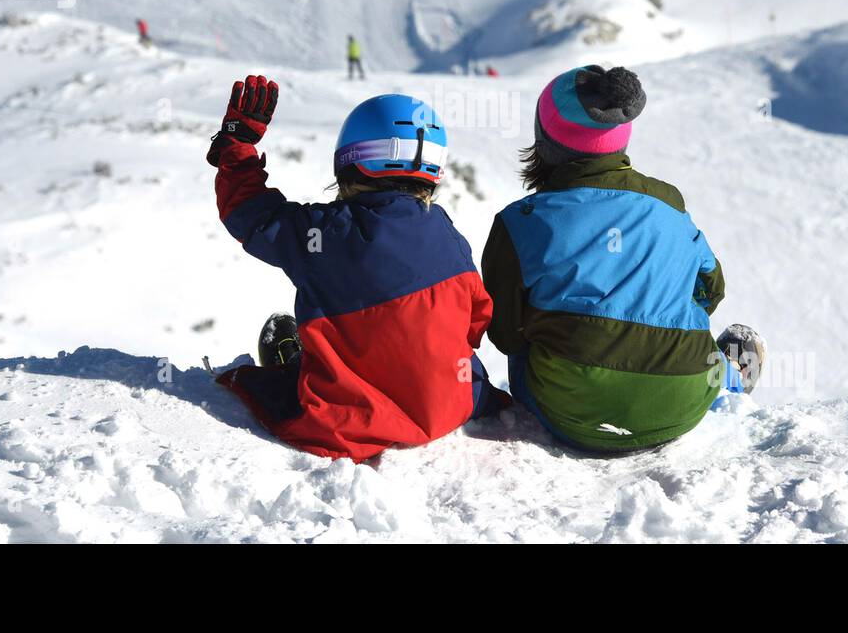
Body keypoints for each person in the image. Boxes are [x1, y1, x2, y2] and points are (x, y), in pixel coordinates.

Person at [207, 76, 508, 461]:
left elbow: (248, 213)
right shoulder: (443, 229)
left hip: (349, 420)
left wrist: (237, 144)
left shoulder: (322, 232)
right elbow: (478, 316)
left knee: (286, 387)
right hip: (450, 405)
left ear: (350, 159)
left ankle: (299, 365)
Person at [481, 64, 764, 454]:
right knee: (691, 345)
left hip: (569, 413)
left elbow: (505, 333)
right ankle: (729, 382)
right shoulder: (668, 203)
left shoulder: (518, 223)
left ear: (544, 141)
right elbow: (710, 291)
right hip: (681, 408)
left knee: (528, 348)